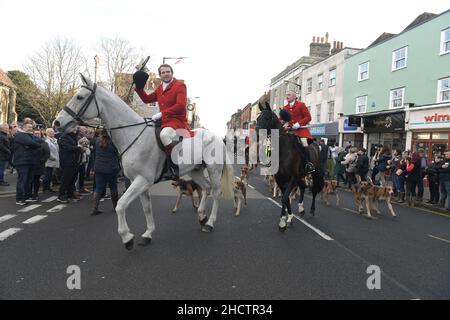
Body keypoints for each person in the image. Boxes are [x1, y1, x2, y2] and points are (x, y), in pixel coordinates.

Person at [133, 64, 191, 180]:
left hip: (176, 120)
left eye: (168, 71)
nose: (166, 74)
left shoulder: (180, 86)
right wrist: (139, 87)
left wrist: (161, 114)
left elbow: (180, 106)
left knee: (164, 135)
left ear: (172, 72)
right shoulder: (160, 88)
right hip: (164, 121)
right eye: (163, 72)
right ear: (160, 75)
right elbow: (146, 99)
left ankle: (174, 168)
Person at [280, 90, 315, 173]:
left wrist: (299, 123)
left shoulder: (301, 105)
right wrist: (281, 123)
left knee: (304, 143)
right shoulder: (285, 108)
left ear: (294, 97)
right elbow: (282, 120)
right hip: (289, 131)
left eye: (289, 95)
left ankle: (308, 164)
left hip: (301, 130)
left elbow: (308, 117)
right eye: (286, 95)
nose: (287, 96)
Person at [12, 123, 43, 205]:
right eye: (29, 127)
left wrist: (33, 144)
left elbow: (40, 140)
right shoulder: (20, 135)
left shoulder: (30, 135)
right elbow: (32, 143)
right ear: (23, 128)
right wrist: (34, 144)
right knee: (23, 180)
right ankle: (19, 199)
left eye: (31, 127)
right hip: (22, 162)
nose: (31, 128)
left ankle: (26, 196)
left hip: (31, 161)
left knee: (29, 180)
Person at [91, 130, 120, 216]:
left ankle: (94, 208)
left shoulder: (98, 141)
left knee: (98, 188)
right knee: (113, 187)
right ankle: (115, 206)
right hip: (111, 168)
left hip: (99, 167)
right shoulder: (113, 142)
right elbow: (117, 153)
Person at [57, 126, 82, 203]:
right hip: (67, 161)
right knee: (66, 178)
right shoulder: (64, 137)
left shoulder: (73, 137)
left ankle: (70, 194)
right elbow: (68, 148)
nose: (75, 129)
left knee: (73, 178)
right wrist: (79, 147)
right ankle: (61, 195)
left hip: (74, 161)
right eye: (73, 128)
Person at [30, 129, 50, 201]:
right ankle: (29, 193)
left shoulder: (44, 143)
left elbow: (47, 153)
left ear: (41, 135)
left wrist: (42, 161)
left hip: (39, 165)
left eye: (38, 134)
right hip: (30, 164)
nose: (37, 135)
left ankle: (35, 194)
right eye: (35, 133)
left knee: (36, 180)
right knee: (29, 180)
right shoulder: (30, 142)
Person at [43, 128, 59, 193]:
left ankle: (49, 188)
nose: (52, 133)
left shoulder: (55, 140)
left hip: (54, 160)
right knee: (47, 175)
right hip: (49, 160)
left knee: (50, 175)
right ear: (47, 133)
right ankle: (45, 188)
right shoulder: (47, 141)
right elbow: (47, 151)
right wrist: (52, 157)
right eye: (50, 132)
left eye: (52, 131)